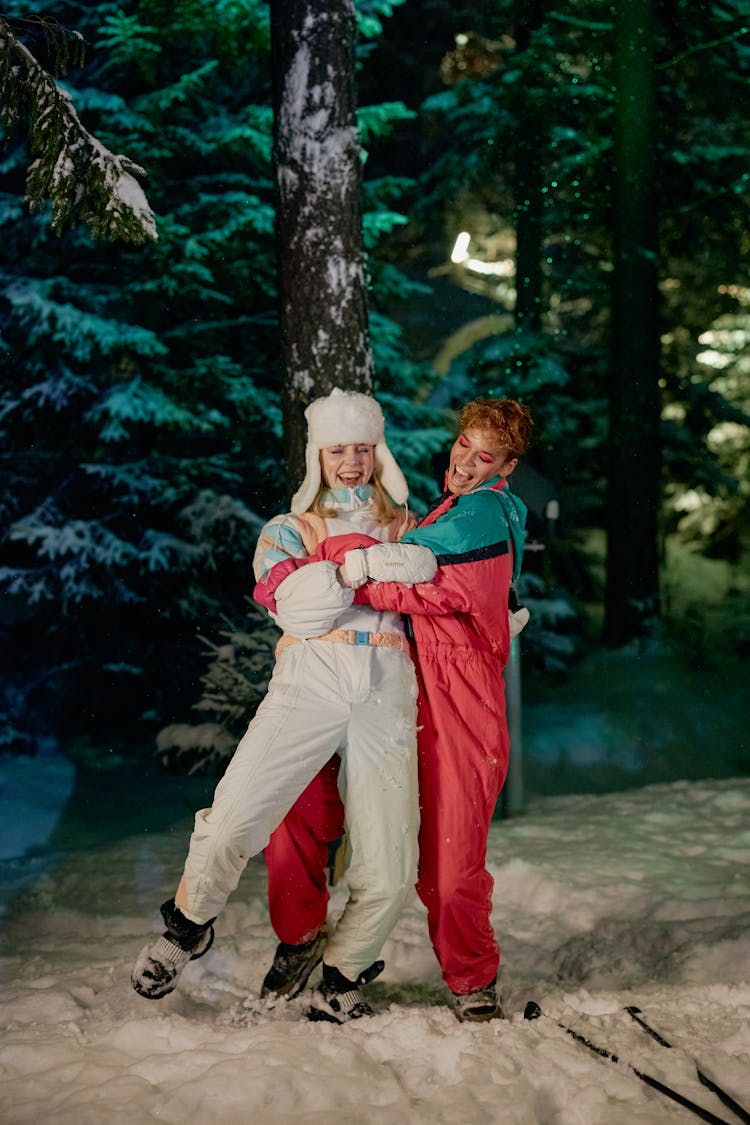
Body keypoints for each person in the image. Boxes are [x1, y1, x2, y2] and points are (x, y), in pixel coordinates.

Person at [131, 387, 437, 1023]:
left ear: (379, 452)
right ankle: (188, 926)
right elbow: (293, 605)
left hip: (387, 684)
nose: (349, 463)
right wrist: (363, 569)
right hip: (311, 675)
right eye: (336, 452)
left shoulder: (415, 523)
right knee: (237, 812)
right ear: (316, 459)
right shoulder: (289, 529)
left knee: (391, 858)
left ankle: (344, 972)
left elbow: (447, 587)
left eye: (361, 449)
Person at [259, 397, 533, 1023]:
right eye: (464, 443)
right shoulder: (439, 510)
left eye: (485, 455)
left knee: (446, 856)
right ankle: (301, 942)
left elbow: (419, 583)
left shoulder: (479, 510)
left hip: (455, 704)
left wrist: (329, 565)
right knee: (301, 811)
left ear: (507, 467)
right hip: (390, 690)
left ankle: (467, 980)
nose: (465, 460)